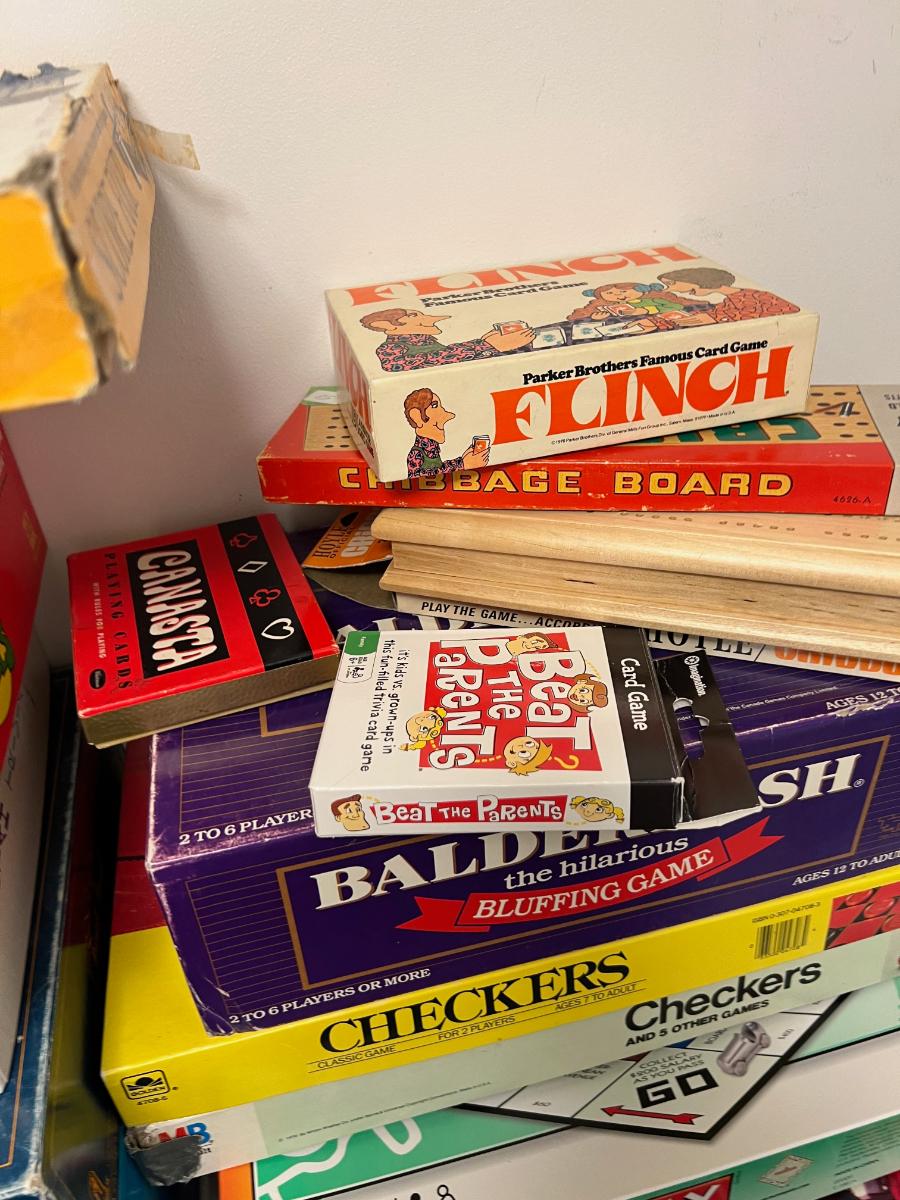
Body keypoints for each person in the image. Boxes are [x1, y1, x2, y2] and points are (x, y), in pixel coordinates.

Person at [360, 308, 534, 372]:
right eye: (413, 316)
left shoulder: (427, 341)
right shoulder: (389, 349)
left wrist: (486, 343)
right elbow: (431, 361)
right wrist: (485, 346)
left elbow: (449, 356)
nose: (430, 318)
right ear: (386, 325)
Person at [656, 267, 800, 325]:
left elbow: (792, 313)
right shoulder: (729, 301)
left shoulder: (757, 296)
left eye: (672, 283)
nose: (671, 288)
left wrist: (717, 318)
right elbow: (718, 312)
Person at [403, 389, 488, 479]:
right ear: (416, 417)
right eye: (434, 406)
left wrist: (464, 460)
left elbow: (439, 468)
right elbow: (417, 477)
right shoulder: (416, 454)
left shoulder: (433, 448)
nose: (449, 416)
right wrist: (462, 464)